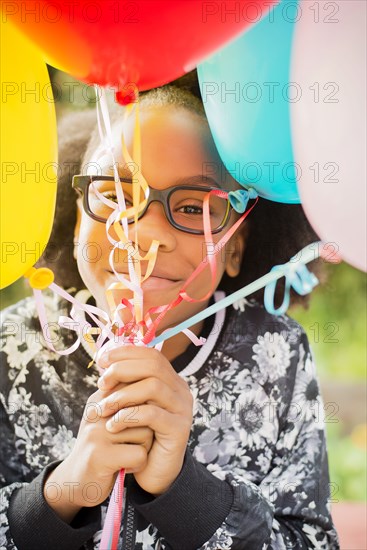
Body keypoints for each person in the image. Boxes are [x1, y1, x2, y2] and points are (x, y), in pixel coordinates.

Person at [0, 71, 339, 549]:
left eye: (194, 207)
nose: (146, 234)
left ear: (236, 247)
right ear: (75, 210)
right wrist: (61, 492)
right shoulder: (12, 348)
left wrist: (186, 491)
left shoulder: (278, 355)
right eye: (116, 195)